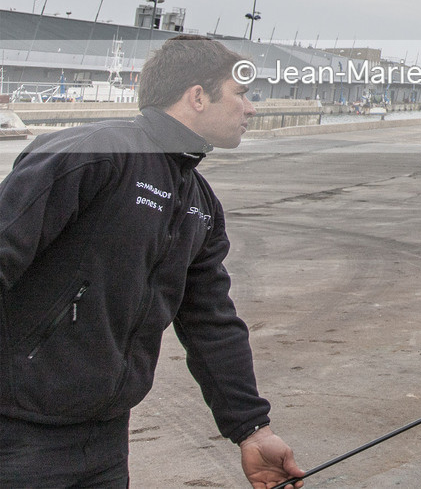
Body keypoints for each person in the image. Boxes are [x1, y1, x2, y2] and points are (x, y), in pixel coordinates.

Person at [0, 35, 304, 489]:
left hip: (105, 440)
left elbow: (210, 322)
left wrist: (252, 429)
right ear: (197, 96)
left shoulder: (198, 201)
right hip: (16, 435)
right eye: (241, 93)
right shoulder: (94, 154)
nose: (250, 109)